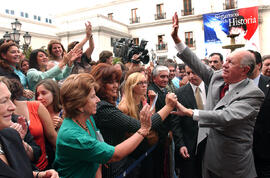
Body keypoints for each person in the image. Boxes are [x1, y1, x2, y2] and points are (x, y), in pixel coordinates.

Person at [171, 12, 264, 178]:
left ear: (244, 70)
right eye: (225, 61)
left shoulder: (253, 94)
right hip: (210, 157)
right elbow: (196, 64)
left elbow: (225, 116)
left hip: (233, 164)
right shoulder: (218, 77)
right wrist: (177, 40)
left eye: (230, 63)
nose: (224, 66)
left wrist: (190, 112)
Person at [53, 73, 152, 178]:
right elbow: (115, 155)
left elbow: (97, 159)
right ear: (79, 105)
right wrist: (143, 130)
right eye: (92, 97)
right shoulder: (73, 136)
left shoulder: (87, 119)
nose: (98, 100)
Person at [90, 63, 177, 177]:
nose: (116, 85)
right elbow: (142, 125)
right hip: (115, 167)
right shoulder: (104, 108)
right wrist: (168, 107)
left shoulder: (107, 105)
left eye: (117, 81)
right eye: (111, 82)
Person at [0, 80, 59, 178]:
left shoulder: (9, 134)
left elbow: (18, 171)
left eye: (10, 99)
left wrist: (39, 175)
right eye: (4, 101)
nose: (13, 107)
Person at [173, 65, 207, 178]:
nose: (191, 76)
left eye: (194, 72)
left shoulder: (212, 89)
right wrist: (180, 144)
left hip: (211, 144)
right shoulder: (179, 93)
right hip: (189, 146)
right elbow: (175, 122)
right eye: (188, 73)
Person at [248, 50, 270, 178]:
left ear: (258, 65)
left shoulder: (267, 83)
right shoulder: (235, 84)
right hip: (242, 150)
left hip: (265, 148)